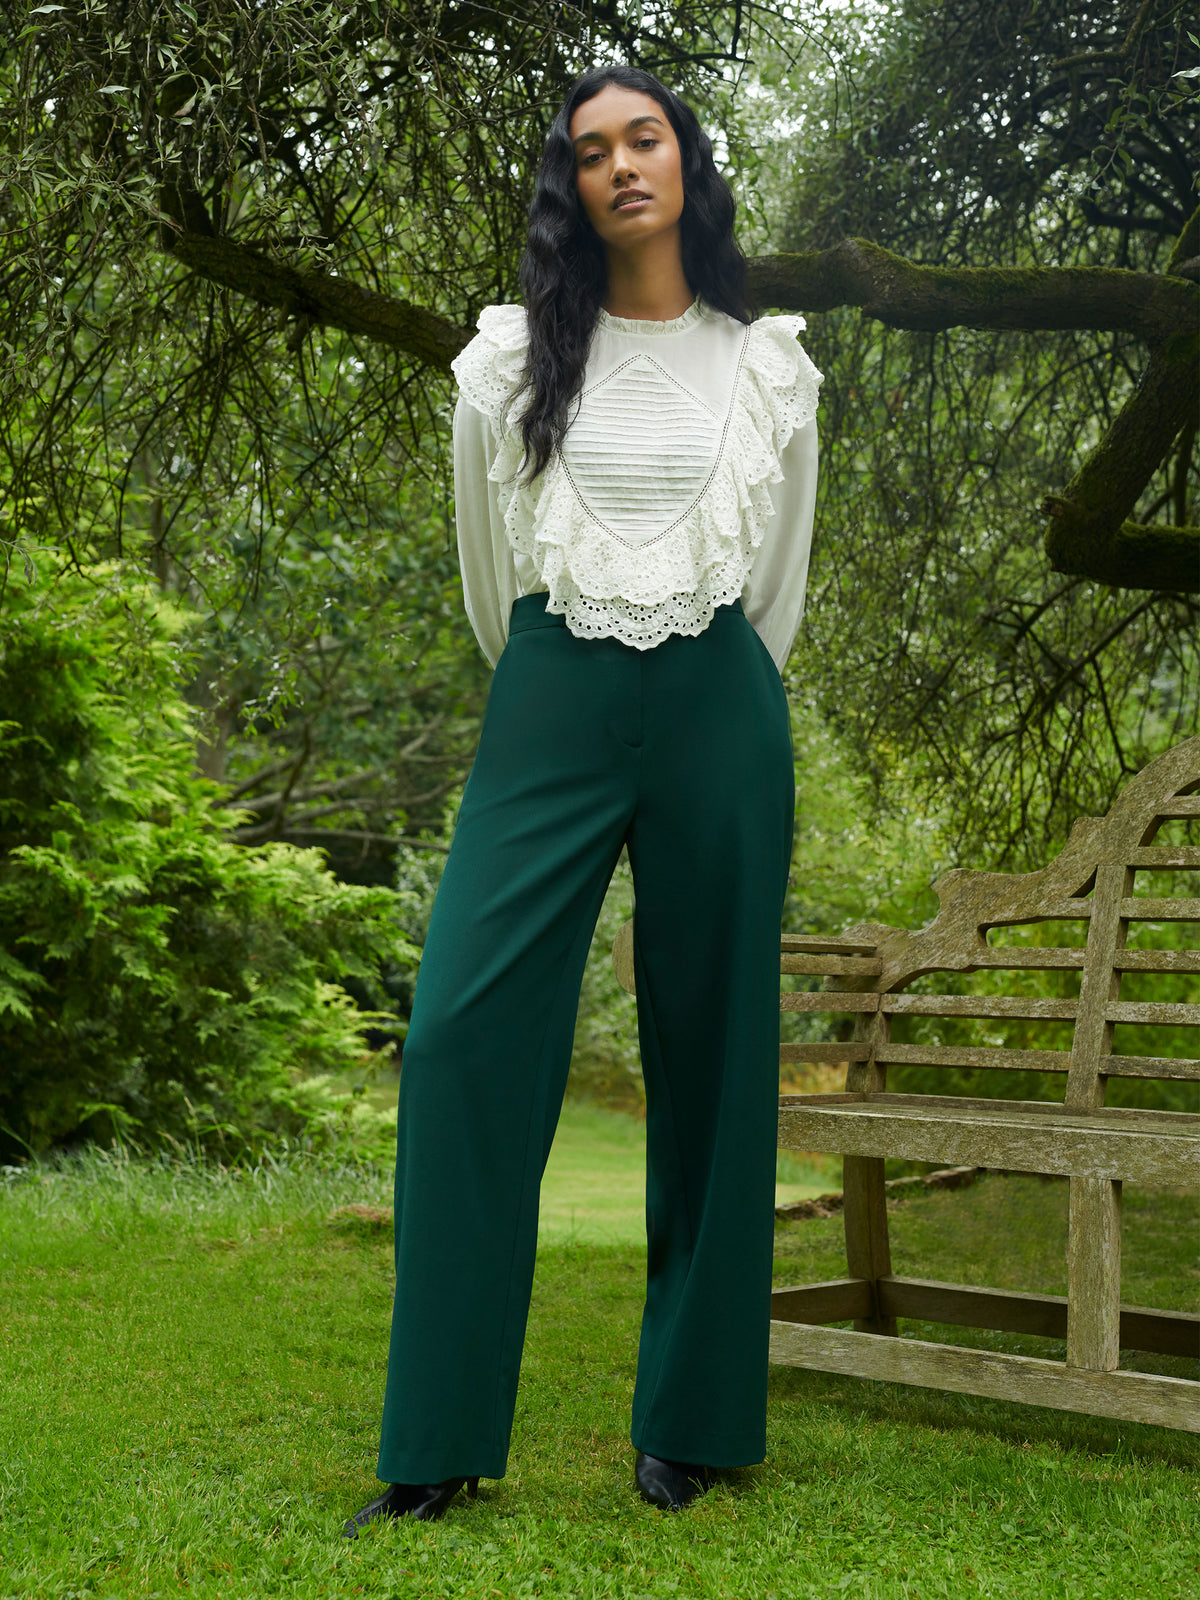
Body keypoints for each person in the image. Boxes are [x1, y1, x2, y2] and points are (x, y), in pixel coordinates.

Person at [343, 61, 821, 1535]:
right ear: (570, 184)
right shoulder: (508, 363)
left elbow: (781, 586)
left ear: (687, 160)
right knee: (464, 1028)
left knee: (718, 1051)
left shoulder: (771, 365)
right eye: (592, 150)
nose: (622, 165)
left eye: (647, 138)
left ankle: (693, 1424)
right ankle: (434, 1441)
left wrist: (698, 697)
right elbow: (495, 579)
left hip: (719, 703)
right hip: (550, 695)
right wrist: (565, 681)